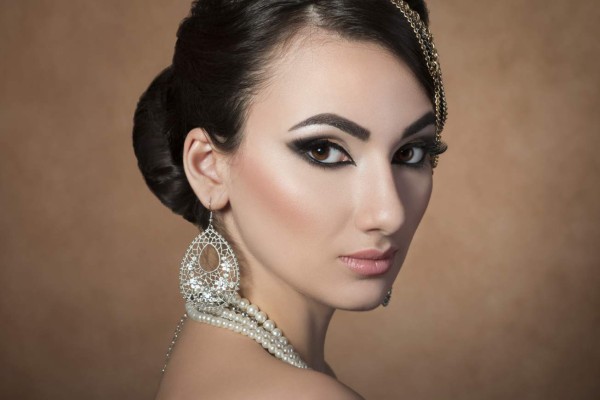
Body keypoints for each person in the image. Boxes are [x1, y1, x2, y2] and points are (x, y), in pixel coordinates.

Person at [132, 0, 448, 398]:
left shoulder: (215, 360)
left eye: (410, 153)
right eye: (324, 151)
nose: (389, 212)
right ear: (208, 167)